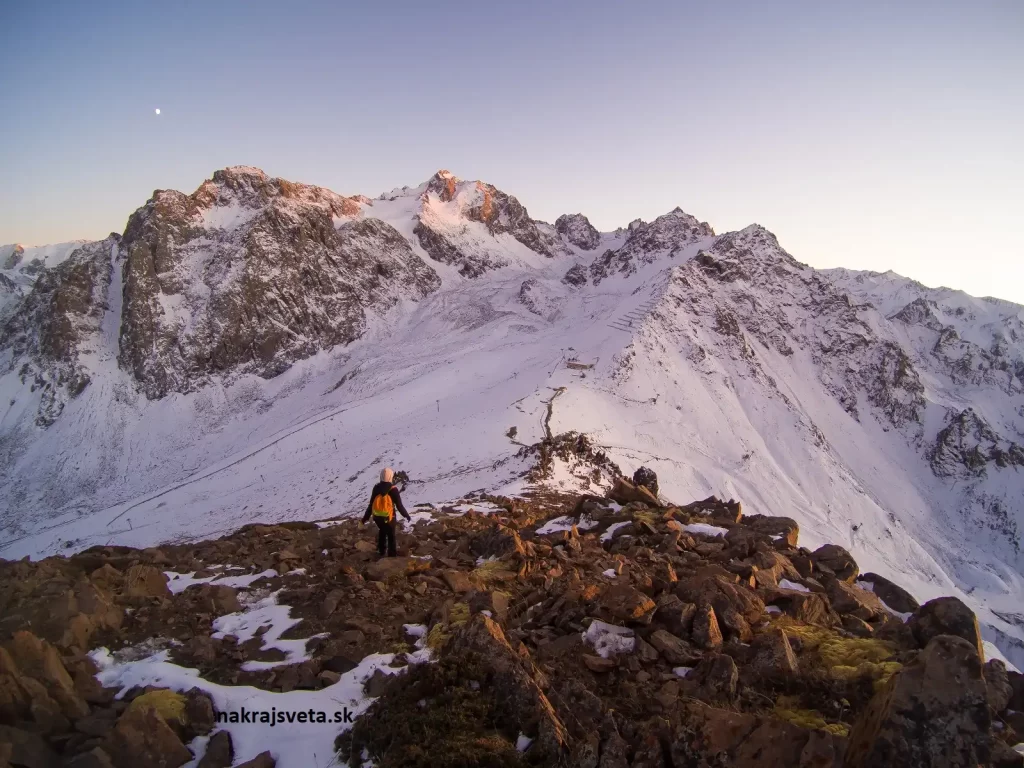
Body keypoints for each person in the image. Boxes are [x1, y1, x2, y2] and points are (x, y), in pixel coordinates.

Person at [362, 468, 410, 557]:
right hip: (389, 517)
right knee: (391, 535)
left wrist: (365, 518)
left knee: (382, 531)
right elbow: (399, 506)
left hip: (377, 516)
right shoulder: (393, 489)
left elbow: (371, 505)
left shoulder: (376, 488)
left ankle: (381, 551)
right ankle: (392, 555)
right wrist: (406, 515)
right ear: (390, 477)